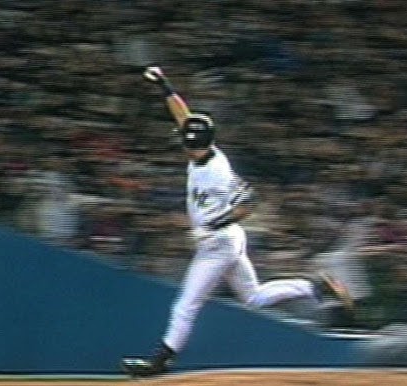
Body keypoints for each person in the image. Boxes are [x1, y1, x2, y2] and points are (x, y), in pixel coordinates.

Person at [120, 67, 354, 378]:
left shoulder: (216, 171)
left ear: (193, 144)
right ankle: (314, 287)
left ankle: (159, 362)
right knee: (253, 297)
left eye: (185, 141)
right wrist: (164, 85)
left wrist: (213, 225)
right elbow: (184, 116)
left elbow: (250, 202)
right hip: (228, 239)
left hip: (218, 244)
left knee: (185, 305)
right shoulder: (205, 152)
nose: (181, 144)